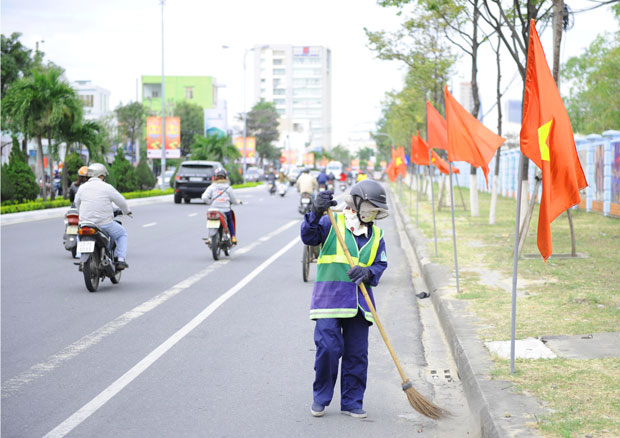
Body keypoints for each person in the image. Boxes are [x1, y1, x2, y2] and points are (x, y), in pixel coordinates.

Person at [300, 180, 390, 419]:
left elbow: (380, 264)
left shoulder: (377, 235)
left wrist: (368, 272)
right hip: (329, 301)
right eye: (370, 207)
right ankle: (320, 397)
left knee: (357, 355)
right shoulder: (332, 221)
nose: (373, 213)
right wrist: (315, 212)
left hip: (360, 305)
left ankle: (352, 401)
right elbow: (309, 237)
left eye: (376, 210)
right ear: (358, 203)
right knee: (328, 349)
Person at [75, 163, 131, 270]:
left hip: (85, 223)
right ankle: (120, 259)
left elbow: (77, 203)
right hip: (104, 223)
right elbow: (121, 202)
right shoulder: (107, 187)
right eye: (104, 176)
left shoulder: (82, 187)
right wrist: (126, 211)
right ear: (100, 176)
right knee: (122, 234)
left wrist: (82, 215)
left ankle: (80, 255)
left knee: (79, 232)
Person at [201, 168, 241, 244]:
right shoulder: (228, 188)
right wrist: (237, 202)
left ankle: (209, 237)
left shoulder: (211, 187)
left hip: (213, 210)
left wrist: (210, 202)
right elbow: (234, 200)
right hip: (225, 210)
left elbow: (204, 197)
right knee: (230, 220)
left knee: (210, 220)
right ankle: (233, 237)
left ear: (215, 177)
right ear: (225, 177)